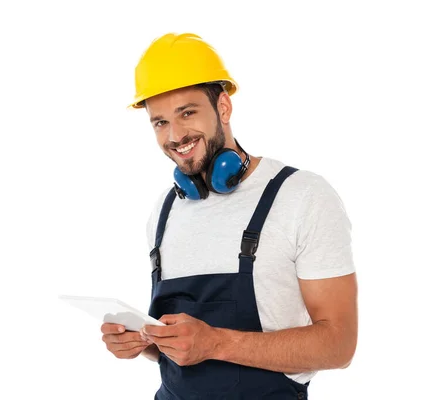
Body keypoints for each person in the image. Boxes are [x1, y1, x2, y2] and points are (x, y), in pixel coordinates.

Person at [101, 32, 358, 399]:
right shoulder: (165, 210)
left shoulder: (301, 196)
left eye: (187, 113)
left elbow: (339, 344)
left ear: (223, 107)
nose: (175, 135)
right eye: (159, 122)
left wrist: (216, 343)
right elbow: (181, 348)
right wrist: (142, 341)